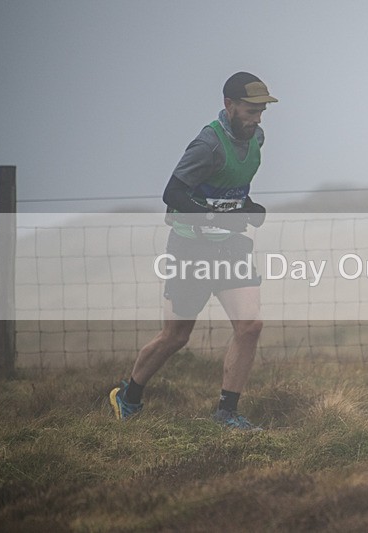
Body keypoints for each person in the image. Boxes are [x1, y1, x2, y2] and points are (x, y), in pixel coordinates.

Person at [110, 72, 277, 431]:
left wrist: (247, 207)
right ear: (229, 105)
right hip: (191, 248)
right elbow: (172, 193)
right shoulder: (208, 145)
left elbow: (228, 187)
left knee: (250, 326)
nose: (257, 119)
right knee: (176, 336)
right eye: (251, 111)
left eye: (261, 111)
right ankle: (128, 396)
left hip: (231, 246)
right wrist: (213, 217)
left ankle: (226, 414)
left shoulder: (257, 138)